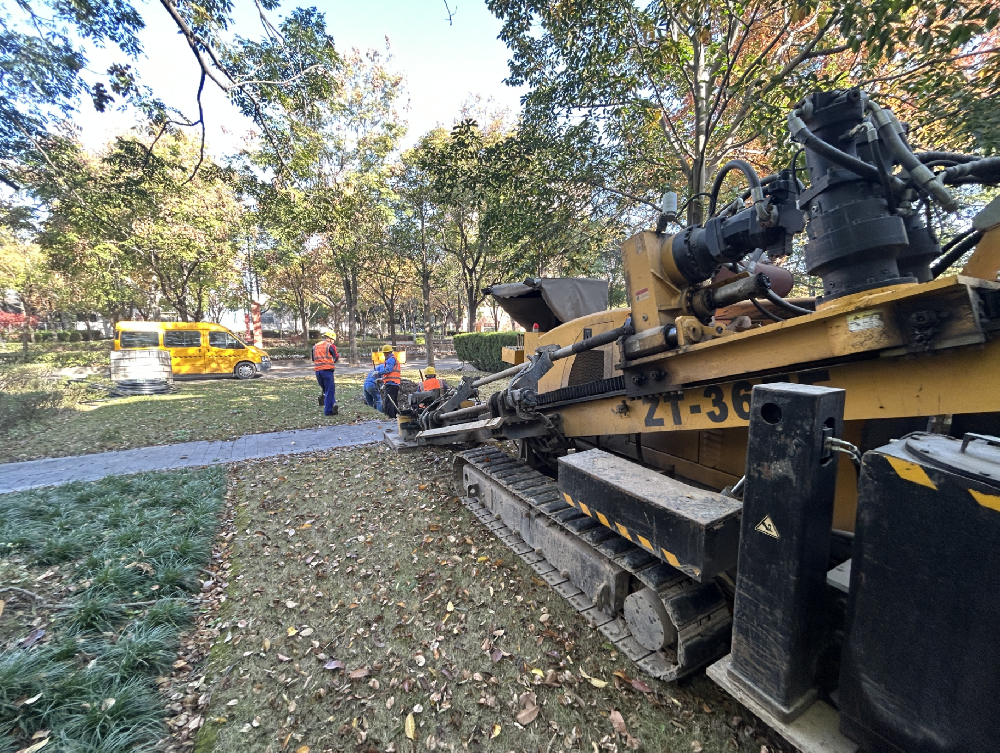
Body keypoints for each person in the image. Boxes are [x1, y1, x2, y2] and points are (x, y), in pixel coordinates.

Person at [312, 330, 339, 416]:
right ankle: (328, 411)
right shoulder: (330, 346)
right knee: (330, 391)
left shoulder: (315, 346)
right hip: (327, 371)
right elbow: (336, 358)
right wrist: (330, 361)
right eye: (333, 339)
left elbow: (313, 358)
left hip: (317, 372)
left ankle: (333, 403)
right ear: (330, 338)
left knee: (326, 390)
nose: (333, 341)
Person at [379, 343, 401, 419]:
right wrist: (382, 380)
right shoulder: (393, 358)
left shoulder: (391, 359)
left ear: (387, 352)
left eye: (384, 353)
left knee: (389, 402)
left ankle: (391, 417)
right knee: (393, 401)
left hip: (392, 383)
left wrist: (379, 372)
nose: (384, 354)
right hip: (394, 383)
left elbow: (388, 370)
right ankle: (394, 417)